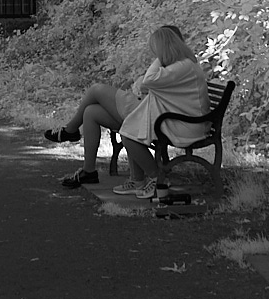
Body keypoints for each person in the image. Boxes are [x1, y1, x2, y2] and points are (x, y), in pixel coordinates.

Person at [44, 25, 210, 196]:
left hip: (181, 124)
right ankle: (99, 173)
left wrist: (161, 57)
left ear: (165, 48)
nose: (155, 55)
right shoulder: (181, 65)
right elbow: (147, 85)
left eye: (156, 50)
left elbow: (149, 80)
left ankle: (157, 179)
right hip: (164, 114)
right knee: (91, 112)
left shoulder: (183, 66)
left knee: (99, 93)